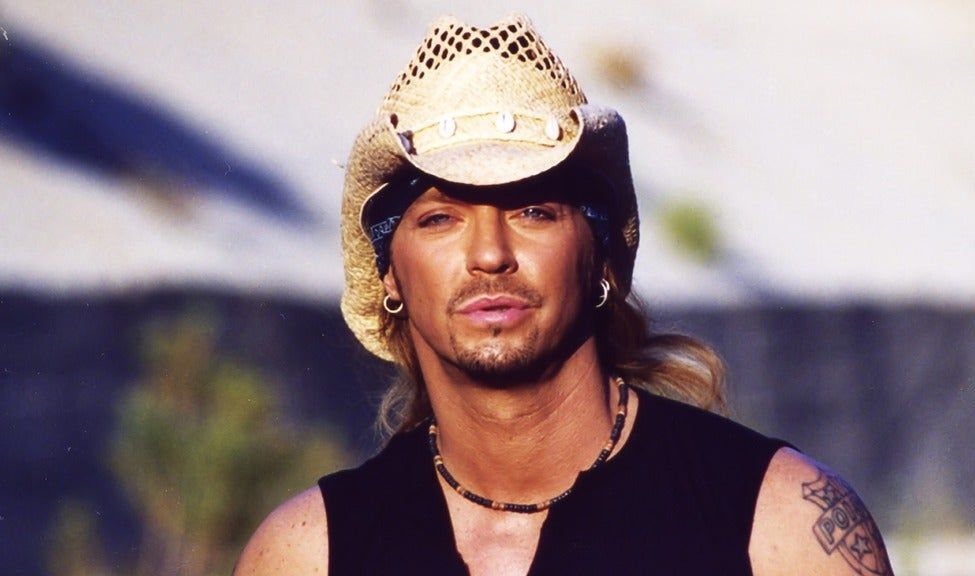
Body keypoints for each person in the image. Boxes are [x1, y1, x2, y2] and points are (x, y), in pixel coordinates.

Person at [235, 13, 893, 576]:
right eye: (440, 218)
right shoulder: (307, 553)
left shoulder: (781, 523)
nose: (489, 254)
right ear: (390, 276)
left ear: (600, 254)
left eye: (534, 211)